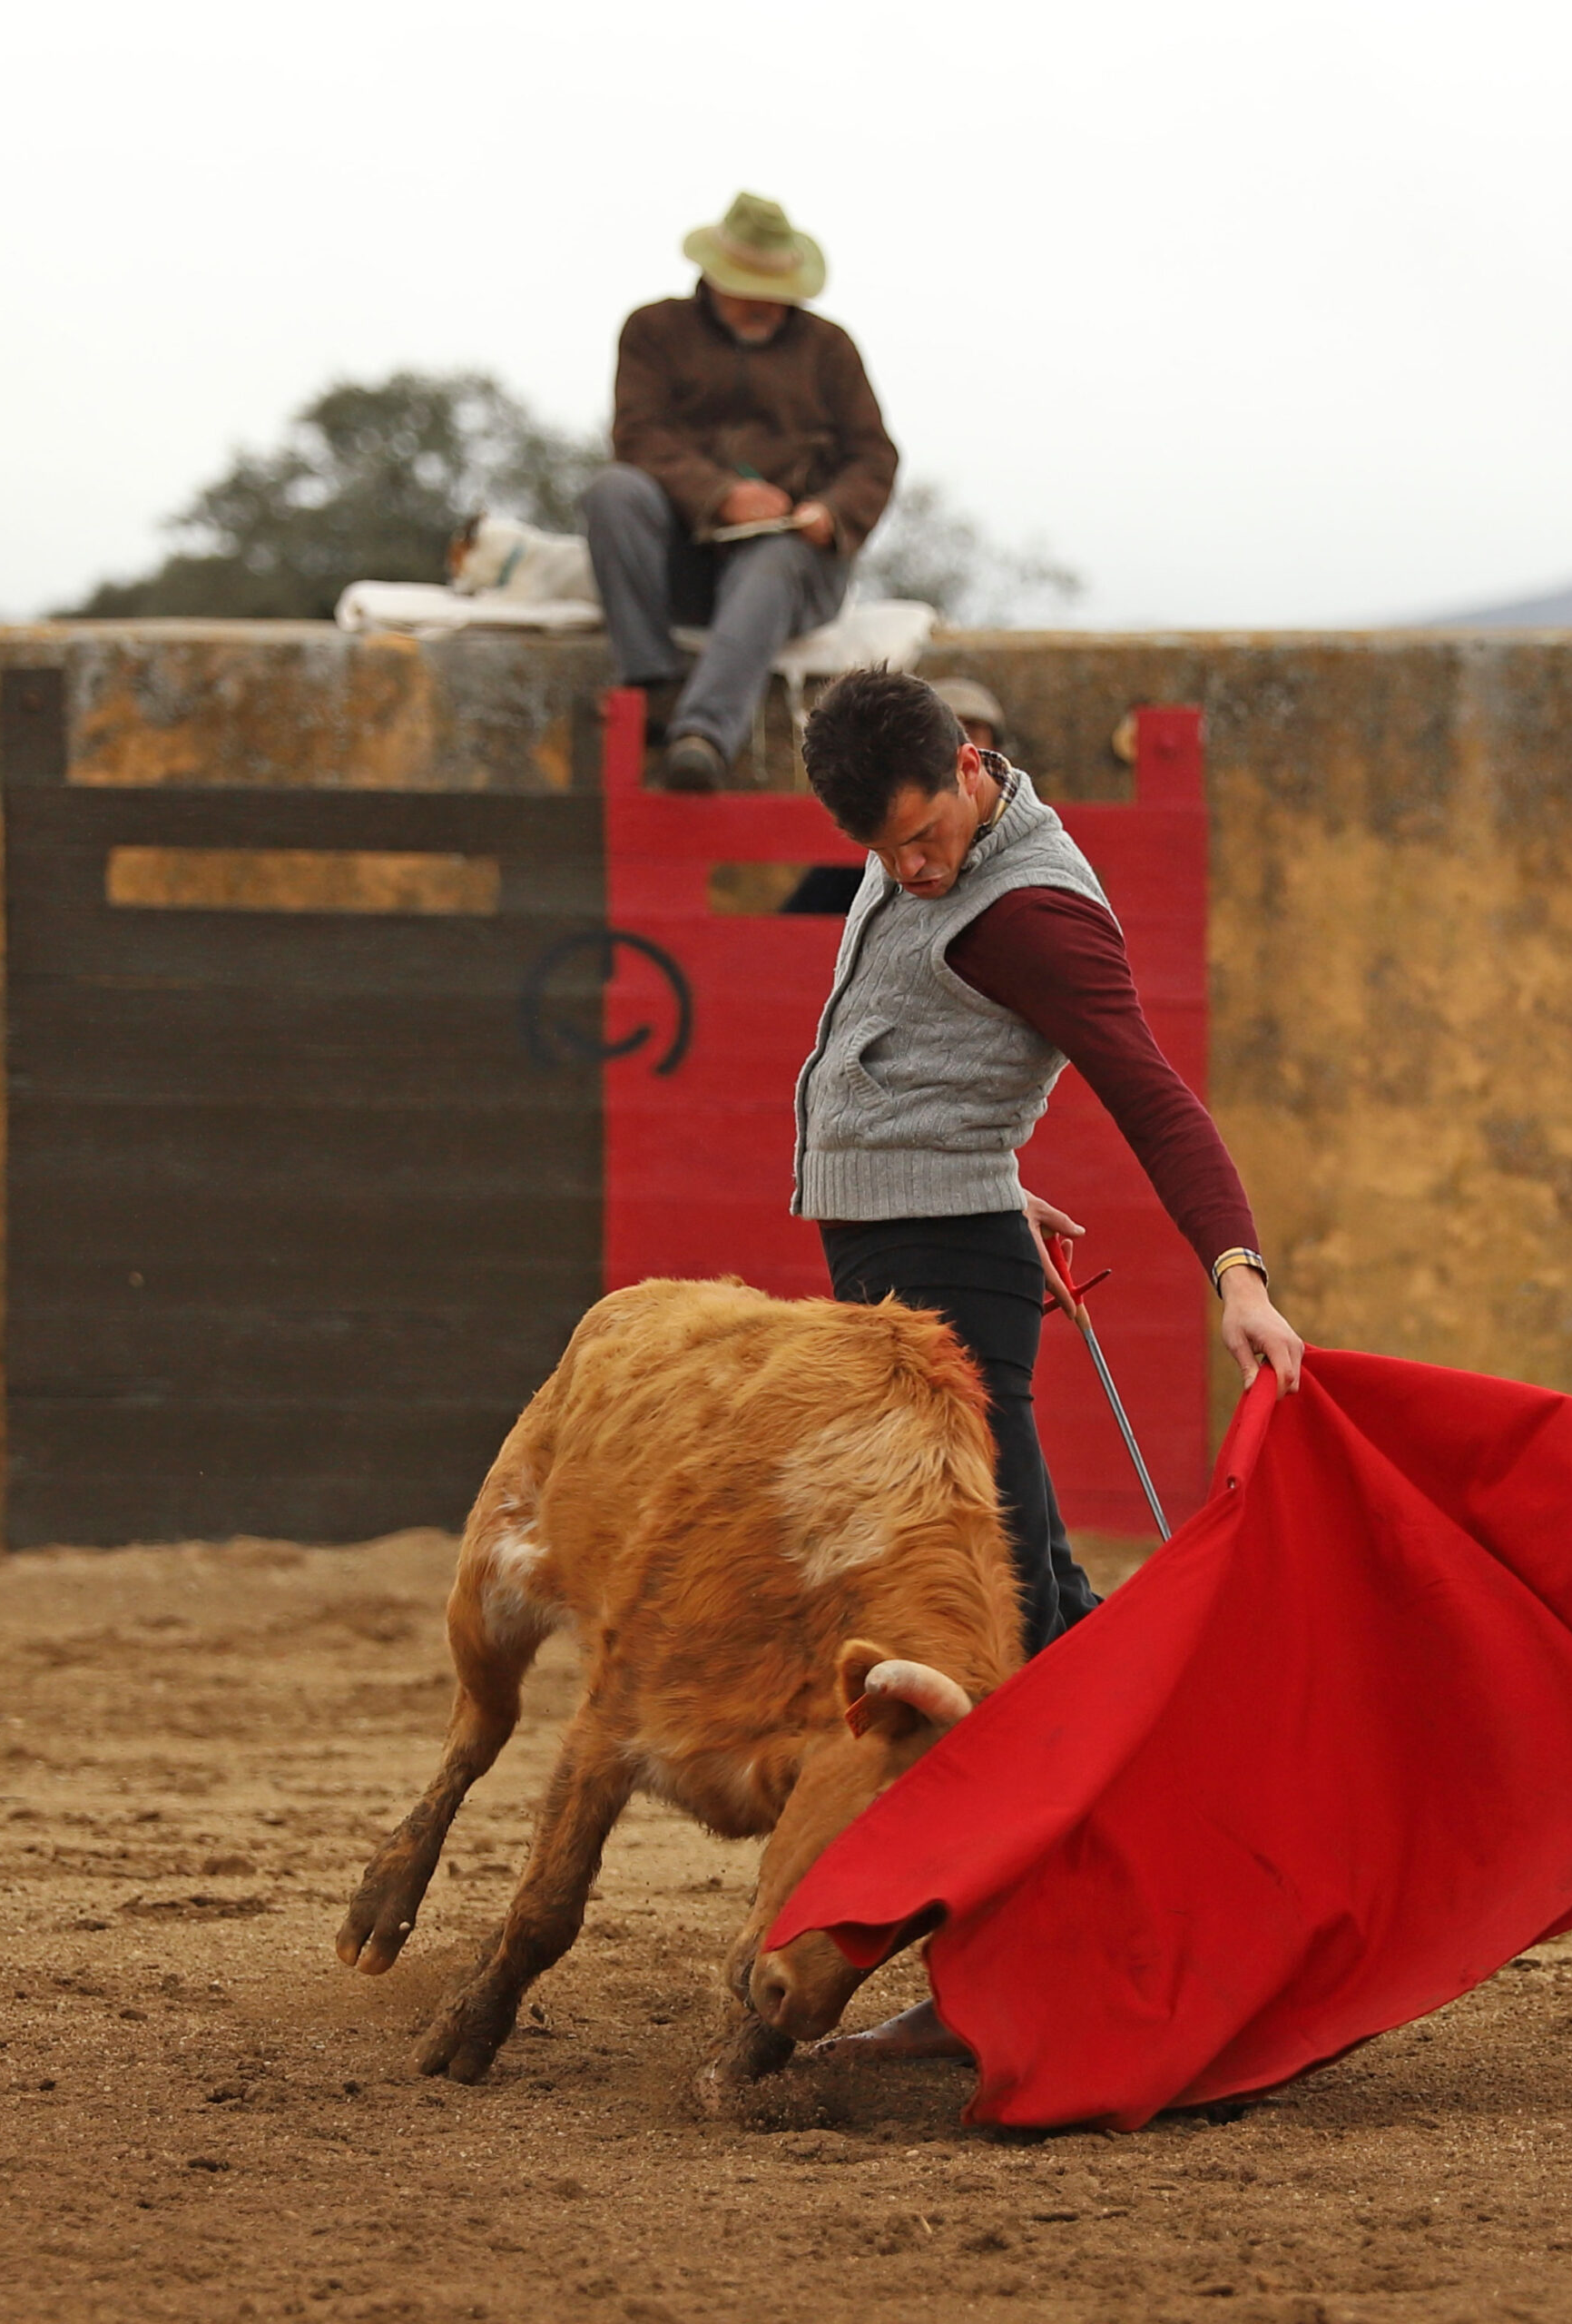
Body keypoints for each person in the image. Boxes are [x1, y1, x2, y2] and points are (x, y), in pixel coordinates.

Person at [792, 667, 1304, 2059]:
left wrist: (1235, 1274)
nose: (909, 871)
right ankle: (1172, 1885)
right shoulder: (933, 829)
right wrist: (979, 1166)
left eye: (923, 840)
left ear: (971, 767)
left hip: (943, 1291)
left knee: (993, 1621)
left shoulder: (1029, 910)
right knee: (1028, 1604)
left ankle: (1025, 1969)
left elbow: (1151, 1092)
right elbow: (929, 1061)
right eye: (884, 854)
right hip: (925, 1252)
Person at [585, 192, 899, 793]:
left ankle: (701, 736)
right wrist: (718, 495)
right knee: (611, 492)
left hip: (792, 565)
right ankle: (652, 687)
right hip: (686, 557)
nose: (764, 304)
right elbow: (637, 434)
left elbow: (873, 456)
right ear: (713, 276)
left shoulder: (828, 349)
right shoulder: (652, 332)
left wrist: (829, 514)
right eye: (749, 287)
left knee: (773, 560)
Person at [781, 676, 1009, 916]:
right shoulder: (872, 837)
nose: (907, 867)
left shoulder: (1026, 855)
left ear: (970, 764)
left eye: (971, 731)